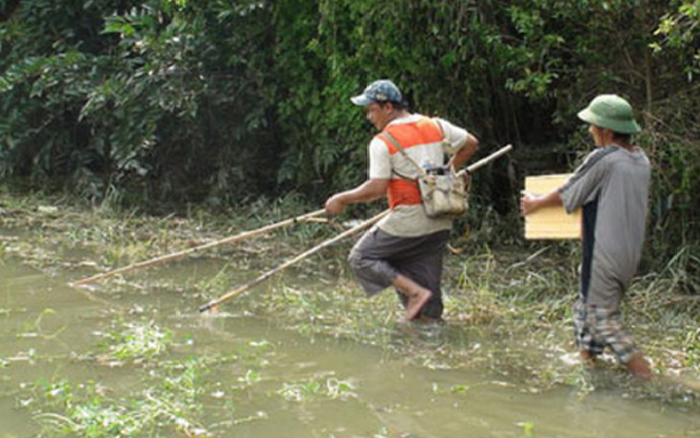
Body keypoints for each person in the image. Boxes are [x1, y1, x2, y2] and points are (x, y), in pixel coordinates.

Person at [520, 94, 652, 379]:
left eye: (593, 126)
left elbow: (571, 190)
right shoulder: (640, 160)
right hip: (628, 255)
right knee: (584, 306)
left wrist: (536, 202)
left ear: (605, 130)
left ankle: (646, 374)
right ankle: (587, 359)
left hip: (603, 254)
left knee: (600, 317)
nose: (591, 131)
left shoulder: (604, 158)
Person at [325, 79, 479, 322]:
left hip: (409, 220)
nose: (368, 116)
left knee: (361, 258)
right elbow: (470, 143)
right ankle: (425, 342)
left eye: (371, 109)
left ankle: (414, 292)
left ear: (388, 108)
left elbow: (376, 188)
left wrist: (341, 199)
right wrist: (447, 172)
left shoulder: (383, 141)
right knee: (428, 314)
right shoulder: (435, 125)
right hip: (439, 220)